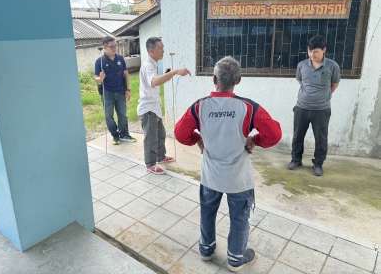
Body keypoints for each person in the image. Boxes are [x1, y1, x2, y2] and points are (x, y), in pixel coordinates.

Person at [174, 56, 281, 272]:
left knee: (207, 212)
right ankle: (236, 259)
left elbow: (180, 133)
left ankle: (205, 250)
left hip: (210, 176)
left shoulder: (199, 107)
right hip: (238, 179)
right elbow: (274, 134)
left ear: (214, 79)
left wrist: (197, 139)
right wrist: (255, 140)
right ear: (239, 80)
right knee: (239, 218)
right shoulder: (248, 108)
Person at [287, 35, 340, 176]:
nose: (312, 54)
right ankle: (296, 160)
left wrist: (323, 96)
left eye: (315, 51)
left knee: (321, 138)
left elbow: (335, 84)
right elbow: (300, 81)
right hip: (302, 108)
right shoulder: (302, 65)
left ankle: (318, 164)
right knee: (298, 136)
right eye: (310, 51)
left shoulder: (332, 66)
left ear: (324, 50)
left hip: (321, 110)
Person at [137, 37, 191, 175]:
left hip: (154, 108)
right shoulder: (148, 65)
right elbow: (154, 81)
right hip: (148, 109)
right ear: (151, 50)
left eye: (163, 48)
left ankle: (160, 157)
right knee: (151, 138)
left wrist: (170, 74)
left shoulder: (153, 63)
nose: (163, 51)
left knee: (161, 134)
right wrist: (173, 72)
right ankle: (150, 163)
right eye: (160, 48)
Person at [95, 36, 136, 145]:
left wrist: (128, 90)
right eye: (111, 47)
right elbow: (96, 79)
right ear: (105, 47)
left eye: (115, 46)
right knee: (109, 115)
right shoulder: (100, 61)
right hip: (107, 92)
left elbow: (126, 74)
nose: (114, 48)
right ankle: (115, 135)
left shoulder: (120, 59)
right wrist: (101, 78)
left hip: (120, 91)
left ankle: (124, 134)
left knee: (122, 114)